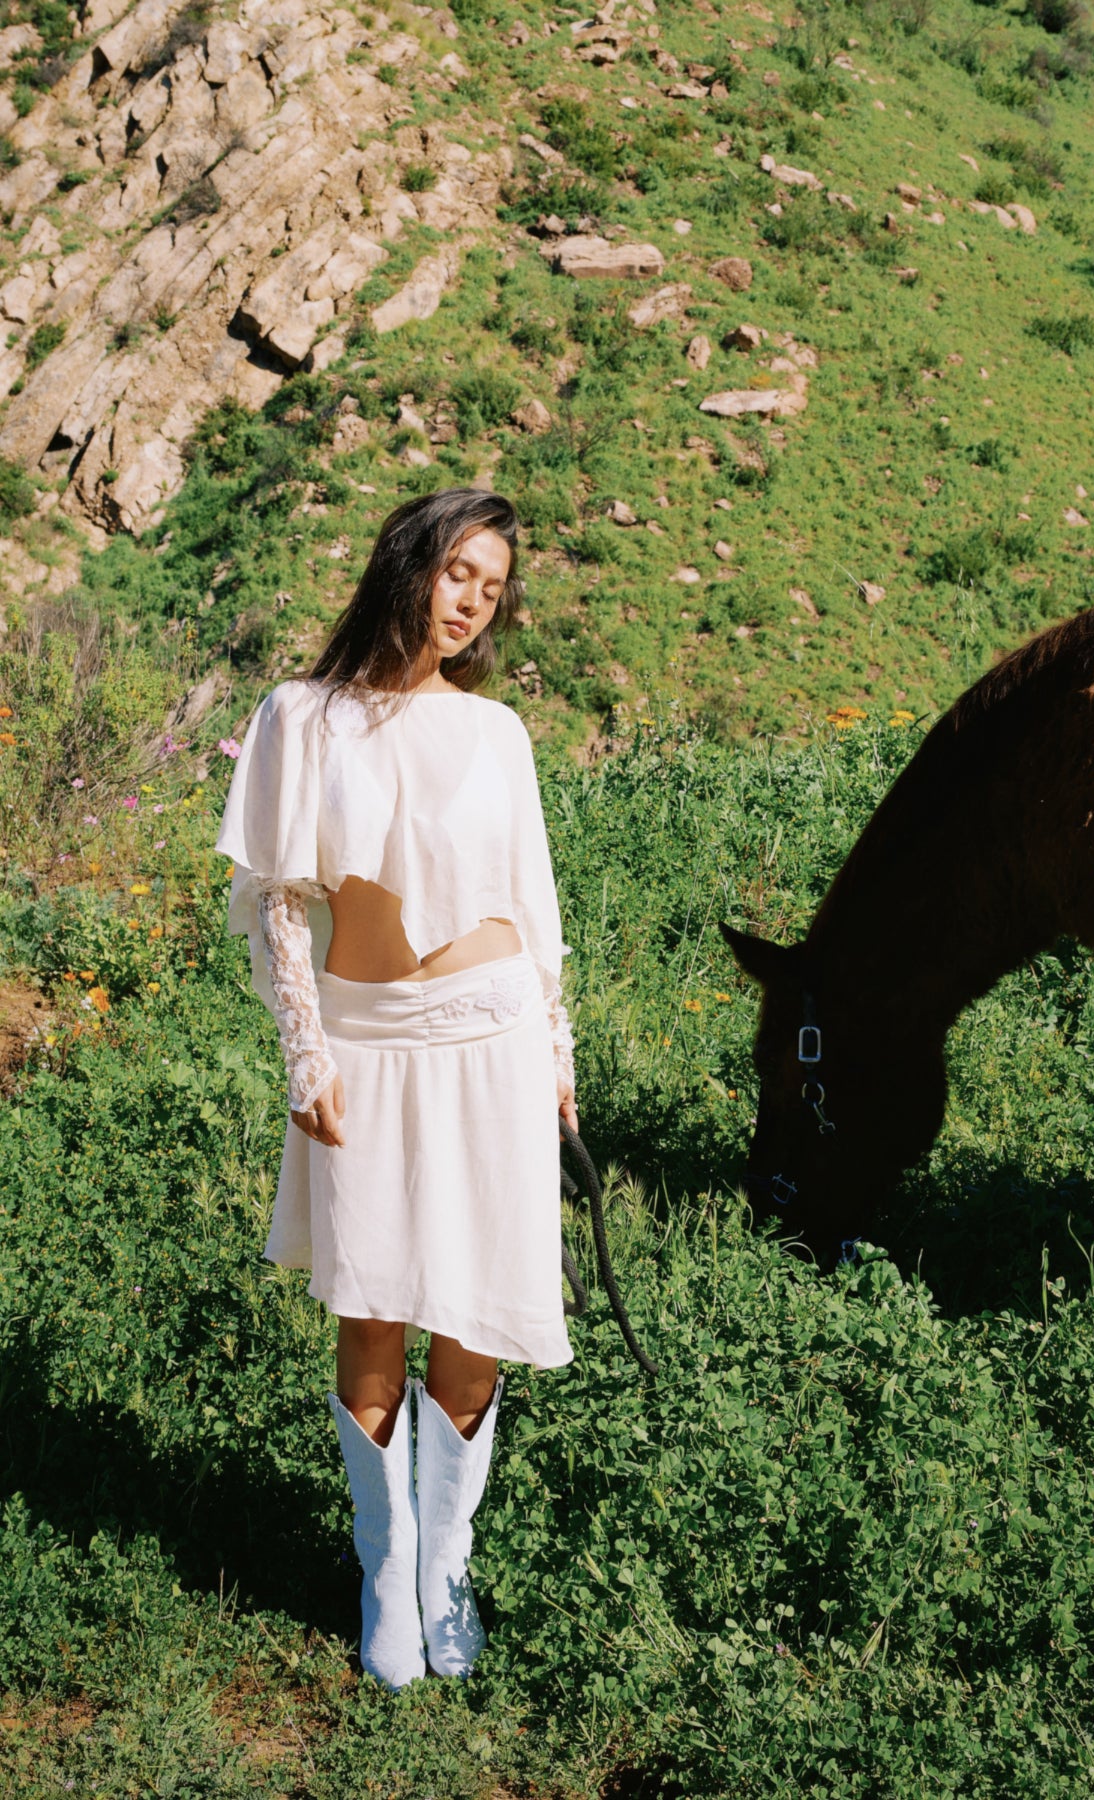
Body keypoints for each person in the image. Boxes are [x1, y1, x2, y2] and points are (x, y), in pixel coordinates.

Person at [214, 487, 576, 1689]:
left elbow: (532, 906)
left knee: (475, 1311)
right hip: (364, 1041)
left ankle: (445, 1570)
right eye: (458, 571)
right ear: (407, 564)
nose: (472, 602)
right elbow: (277, 897)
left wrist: (557, 1057)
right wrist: (305, 1051)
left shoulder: (498, 733)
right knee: (370, 1306)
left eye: (493, 587)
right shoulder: (300, 715)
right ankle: (386, 1568)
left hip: (494, 1034)